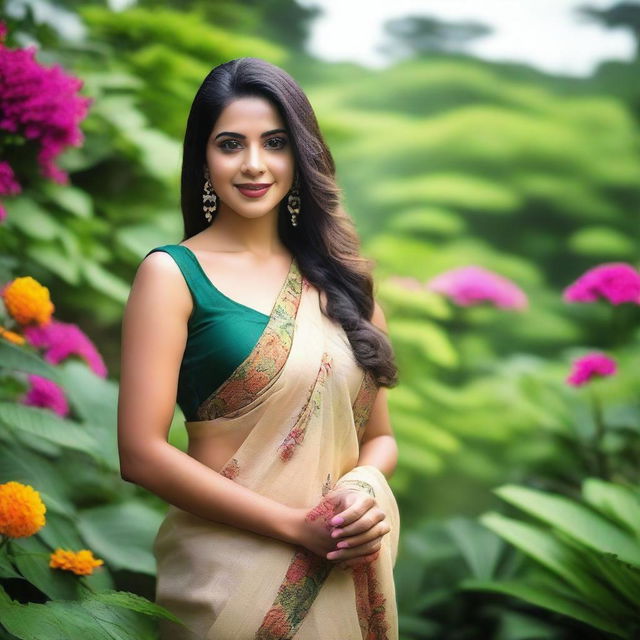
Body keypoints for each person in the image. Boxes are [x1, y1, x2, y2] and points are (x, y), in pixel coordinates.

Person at [117, 57, 400, 639]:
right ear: (203, 158)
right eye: (230, 144)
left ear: (301, 155)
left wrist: (361, 493)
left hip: (338, 565)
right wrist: (298, 527)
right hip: (224, 583)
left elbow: (380, 438)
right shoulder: (173, 274)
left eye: (275, 142)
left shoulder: (348, 286)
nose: (254, 164)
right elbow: (141, 453)